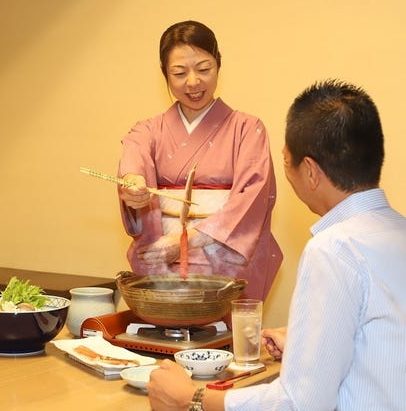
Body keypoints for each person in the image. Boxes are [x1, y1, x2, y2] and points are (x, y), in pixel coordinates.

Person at [146, 79, 406, 410]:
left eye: (285, 160)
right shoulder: (397, 232)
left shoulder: (334, 248)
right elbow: (380, 349)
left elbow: (300, 404)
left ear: (310, 172)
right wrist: (305, 346)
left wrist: (193, 398)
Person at [118, 20, 282, 303]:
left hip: (225, 264)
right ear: (164, 74)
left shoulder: (247, 129)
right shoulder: (146, 131)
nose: (193, 82)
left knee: (223, 338)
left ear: (219, 64)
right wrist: (133, 187)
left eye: (204, 69)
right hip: (162, 264)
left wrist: (186, 241)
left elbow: (252, 199)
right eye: (179, 73)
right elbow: (133, 165)